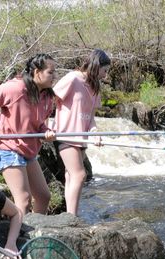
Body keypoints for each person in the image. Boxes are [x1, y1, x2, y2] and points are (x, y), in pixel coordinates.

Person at [0, 54, 57, 214]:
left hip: (27, 150)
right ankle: (18, 236)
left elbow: (39, 124)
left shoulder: (47, 96)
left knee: (44, 196)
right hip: (7, 148)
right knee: (23, 199)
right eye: (50, 72)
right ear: (37, 72)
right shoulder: (16, 89)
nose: (54, 76)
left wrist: (46, 132)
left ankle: (36, 232)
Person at [53, 49, 110, 215]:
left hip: (82, 139)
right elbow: (50, 98)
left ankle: (70, 216)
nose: (105, 76)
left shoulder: (95, 87)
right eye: (105, 71)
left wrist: (95, 133)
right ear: (96, 65)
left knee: (71, 176)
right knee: (79, 175)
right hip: (66, 135)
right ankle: (72, 217)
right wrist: (45, 125)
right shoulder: (73, 78)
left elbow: (90, 118)